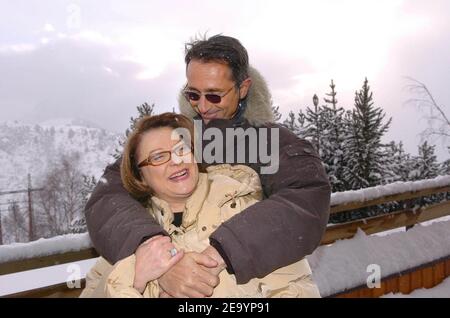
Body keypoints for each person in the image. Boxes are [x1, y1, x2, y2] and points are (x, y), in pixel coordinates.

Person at [85, 35, 331, 297]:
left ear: (243, 88)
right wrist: (155, 252)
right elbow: (107, 195)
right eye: (193, 94)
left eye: (214, 96)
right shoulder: (179, 136)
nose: (202, 107)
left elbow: (306, 198)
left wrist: (223, 250)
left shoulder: (272, 143)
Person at [80, 113, 320, 297]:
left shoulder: (249, 213)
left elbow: (298, 287)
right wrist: (136, 277)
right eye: (158, 156)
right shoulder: (126, 242)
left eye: (180, 149)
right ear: (140, 176)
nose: (176, 161)